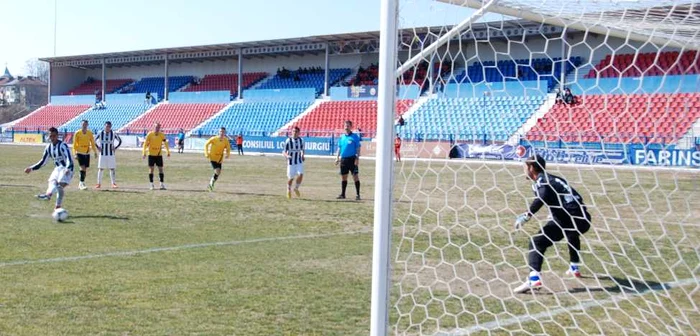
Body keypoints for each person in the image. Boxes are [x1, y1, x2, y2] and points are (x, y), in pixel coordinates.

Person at [513, 155, 592, 294]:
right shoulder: (555, 179)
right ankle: (574, 267)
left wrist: (527, 215)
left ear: (531, 168)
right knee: (571, 234)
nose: (524, 170)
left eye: (526, 167)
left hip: (568, 218)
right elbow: (573, 196)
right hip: (583, 218)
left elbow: (542, 197)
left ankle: (534, 278)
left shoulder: (542, 181)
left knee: (536, 242)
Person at [24, 127, 74, 211]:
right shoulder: (48, 147)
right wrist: (31, 168)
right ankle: (53, 201)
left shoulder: (63, 145)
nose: (52, 138)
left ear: (57, 136)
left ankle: (50, 198)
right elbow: (43, 162)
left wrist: (68, 168)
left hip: (67, 169)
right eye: (51, 136)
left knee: (59, 186)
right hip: (58, 168)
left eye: (54, 136)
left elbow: (69, 158)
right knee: (52, 182)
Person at [334, 120, 362, 200]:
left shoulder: (355, 137)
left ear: (351, 127)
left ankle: (358, 194)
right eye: (345, 125)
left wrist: (357, 157)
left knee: (355, 176)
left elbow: (358, 147)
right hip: (343, 160)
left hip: (352, 159)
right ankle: (343, 194)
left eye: (348, 126)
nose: (346, 127)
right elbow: (339, 148)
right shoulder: (342, 137)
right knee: (344, 177)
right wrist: (337, 157)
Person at [142, 122, 170, 190]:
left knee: (161, 169)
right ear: (153, 127)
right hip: (151, 154)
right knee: (151, 170)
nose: (157, 128)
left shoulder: (161, 135)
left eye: (158, 127)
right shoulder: (149, 134)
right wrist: (144, 153)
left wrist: (167, 151)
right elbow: (145, 144)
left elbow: (165, 143)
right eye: (155, 127)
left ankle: (162, 184)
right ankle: (151, 185)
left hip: (159, 155)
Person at [95, 121, 122, 189]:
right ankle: (98, 183)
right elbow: (93, 140)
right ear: (104, 126)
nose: (108, 128)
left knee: (112, 168)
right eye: (106, 126)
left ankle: (113, 183)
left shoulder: (113, 133)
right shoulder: (100, 133)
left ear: (110, 127)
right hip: (102, 154)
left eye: (109, 127)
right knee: (101, 168)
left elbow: (120, 141)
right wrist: (98, 147)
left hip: (111, 154)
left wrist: (115, 148)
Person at [73, 120, 98, 190]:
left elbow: (92, 143)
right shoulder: (77, 133)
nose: (84, 125)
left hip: (87, 153)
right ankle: (81, 183)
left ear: (87, 125)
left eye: (86, 124)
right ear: (81, 125)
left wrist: (95, 152)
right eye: (83, 124)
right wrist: (74, 153)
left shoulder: (90, 133)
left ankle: (81, 182)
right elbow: (74, 144)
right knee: (82, 167)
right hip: (79, 152)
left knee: (85, 169)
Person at [204, 127, 231, 192]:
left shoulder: (226, 140)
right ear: (219, 132)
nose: (222, 133)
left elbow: (228, 148)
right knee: (217, 170)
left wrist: (228, 154)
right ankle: (211, 183)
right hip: (213, 157)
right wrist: (206, 153)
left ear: (225, 133)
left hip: (220, 158)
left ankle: (211, 183)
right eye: (221, 131)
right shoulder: (214, 139)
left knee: (218, 172)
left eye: (223, 132)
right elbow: (206, 144)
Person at [283, 126, 305, 199]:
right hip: (291, 163)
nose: (294, 133)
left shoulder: (301, 140)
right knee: (291, 178)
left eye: (296, 131)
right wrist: (287, 156)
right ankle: (288, 189)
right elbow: (284, 151)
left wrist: (302, 155)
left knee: (301, 174)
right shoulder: (288, 141)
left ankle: (296, 188)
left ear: (299, 133)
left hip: (299, 161)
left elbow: (302, 149)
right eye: (293, 131)